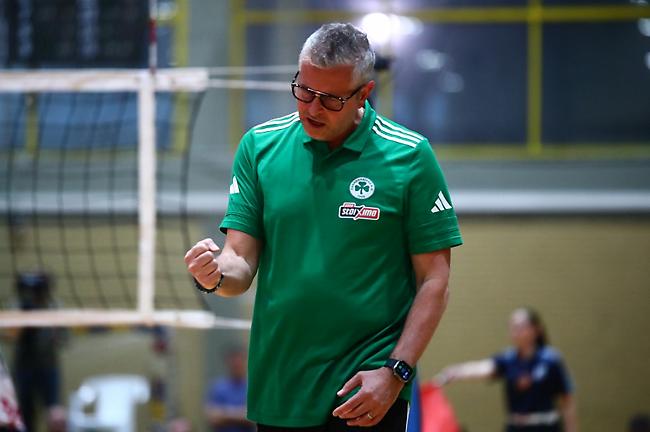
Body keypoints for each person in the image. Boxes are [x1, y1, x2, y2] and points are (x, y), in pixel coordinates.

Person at [185, 22, 463, 431]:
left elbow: (434, 281)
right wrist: (214, 275)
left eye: (331, 99)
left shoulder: (409, 157)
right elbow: (239, 263)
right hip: (281, 386)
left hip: (367, 388)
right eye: (304, 91)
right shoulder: (259, 147)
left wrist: (396, 372)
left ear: (364, 94)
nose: (312, 109)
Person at [435, 307, 577, 432]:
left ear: (536, 329)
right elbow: (484, 368)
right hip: (516, 427)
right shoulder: (508, 359)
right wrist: (456, 371)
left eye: (520, 326)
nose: (515, 331)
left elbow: (567, 401)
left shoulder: (551, 360)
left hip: (545, 427)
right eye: (512, 327)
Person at [10, 272, 66, 432]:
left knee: (55, 414)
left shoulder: (54, 307)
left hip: (48, 367)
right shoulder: (18, 307)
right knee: (24, 414)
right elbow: (11, 337)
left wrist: (53, 329)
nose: (33, 294)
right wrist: (24, 323)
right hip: (24, 368)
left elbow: (63, 339)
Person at [204, 346, 255, 432]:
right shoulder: (217, 388)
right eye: (234, 362)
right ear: (227, 363)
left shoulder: (253, 388)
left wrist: (224, 413)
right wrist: (242, 413)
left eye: (239, 361)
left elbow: (254, 418)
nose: (237, 364)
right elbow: (213, 418)